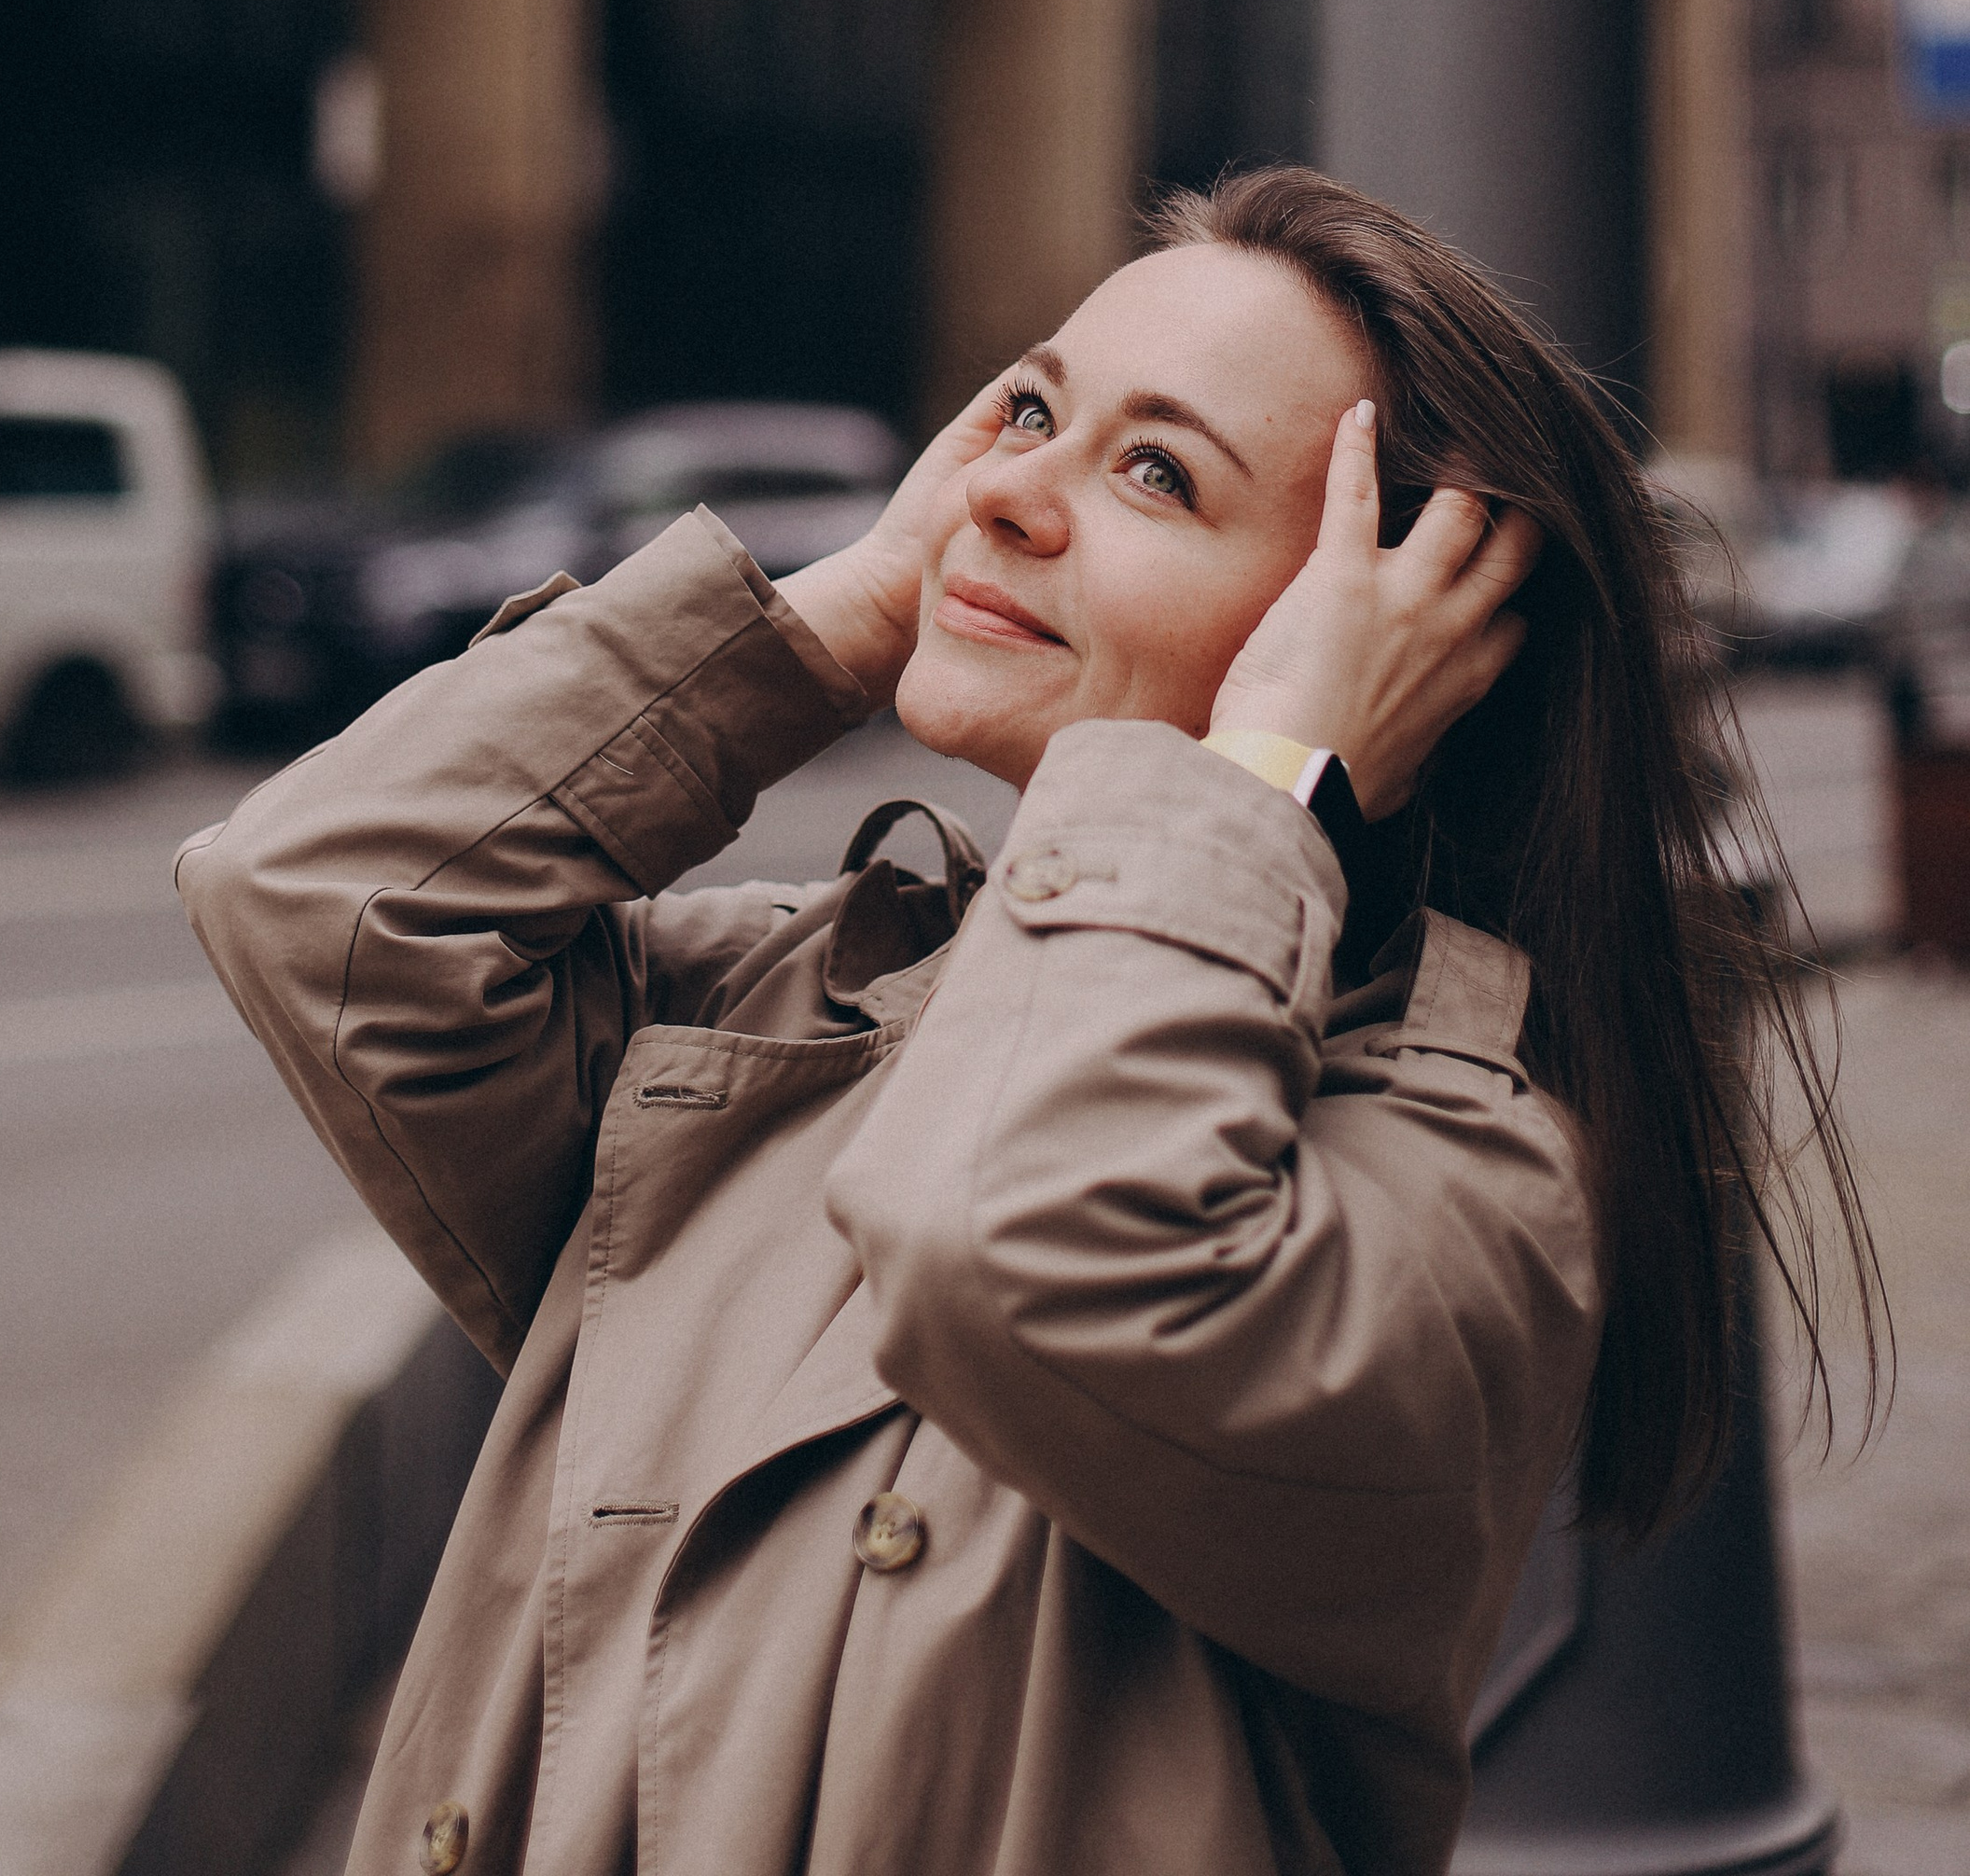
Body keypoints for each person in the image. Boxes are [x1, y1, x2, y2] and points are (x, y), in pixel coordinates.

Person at [179, 166, 1880, 1876]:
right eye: (1028, 413)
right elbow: (324, 901)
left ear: (1387, 649)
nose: (1005, 496)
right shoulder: (789, 1014)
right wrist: (836, 614)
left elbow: (1020, 1243)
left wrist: (1268, 775)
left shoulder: (1471, 1179)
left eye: (1157, 471)